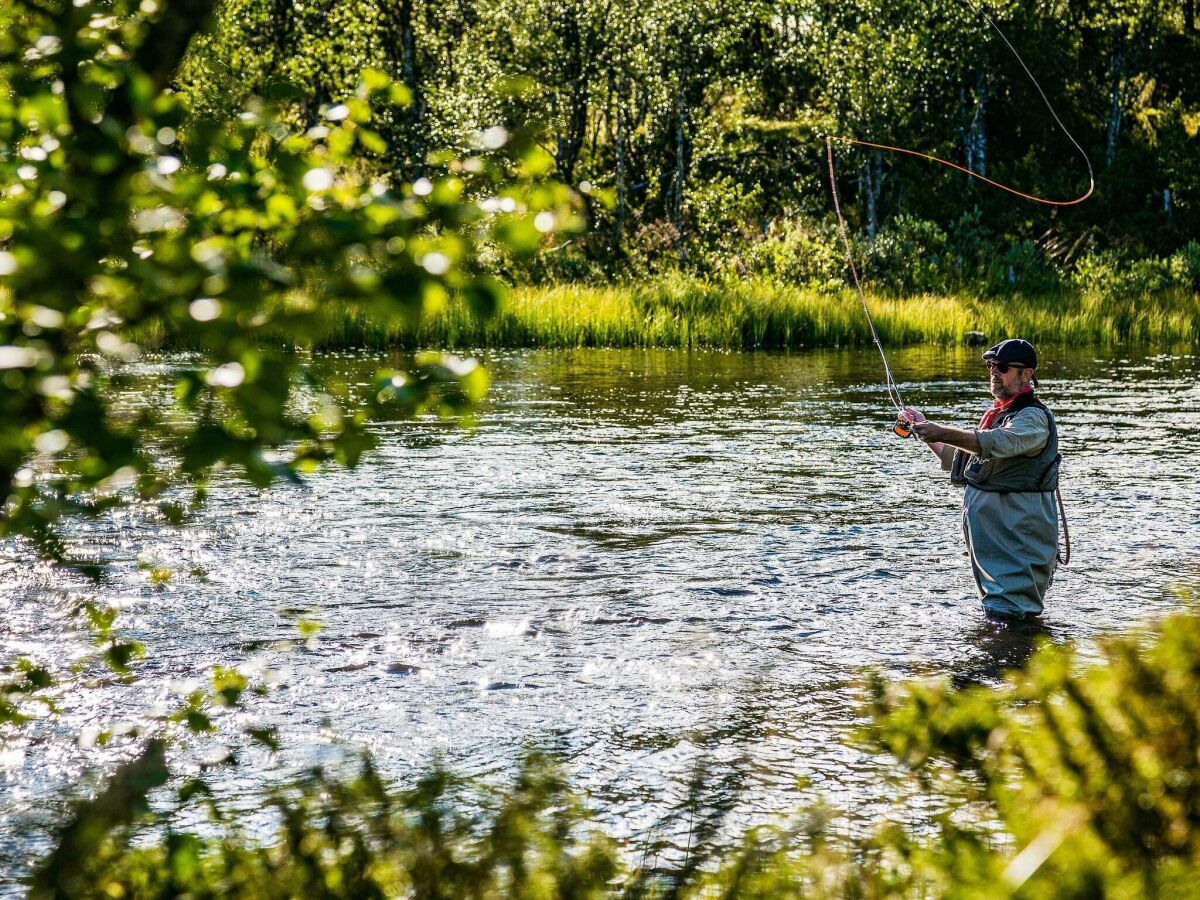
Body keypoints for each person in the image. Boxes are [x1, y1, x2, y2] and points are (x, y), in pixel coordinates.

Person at [900, 339, 1061, 621]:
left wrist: (942, 432)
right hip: (997, 555)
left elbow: (997, 442)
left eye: (1002, 367)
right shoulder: (998, 418)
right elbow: (959, 460)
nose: (993, 373)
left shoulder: (1032, 419)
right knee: (1002, 620)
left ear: (1026, 374)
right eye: (990, 366)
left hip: (1016, 548)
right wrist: (924, 428)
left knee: (1011, 623)